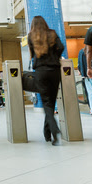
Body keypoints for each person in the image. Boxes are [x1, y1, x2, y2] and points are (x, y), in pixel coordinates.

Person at [28, 16, 65, 146]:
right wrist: (54, 58)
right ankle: (47, 132)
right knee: (51, 101)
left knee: (47, 104)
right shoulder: (52, 33)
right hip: (54, 71)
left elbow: (32, 54)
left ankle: (54, 130)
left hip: (40, 72)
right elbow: (61, 47)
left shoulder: (31, 36)